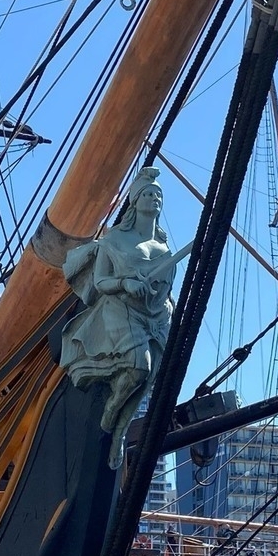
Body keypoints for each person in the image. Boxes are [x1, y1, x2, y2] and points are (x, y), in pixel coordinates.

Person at [60, 167, 180, 458]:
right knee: (140, 365)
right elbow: (101, 281)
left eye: (158, 195)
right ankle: (111, 411)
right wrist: (125, 282)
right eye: (148, 194)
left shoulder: (164, 247)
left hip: (157, 315)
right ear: (134, 201)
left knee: (147, 380)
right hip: (121, 310)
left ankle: (119, 435)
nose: (154, 198)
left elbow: (166, 287)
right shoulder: (114, 242)